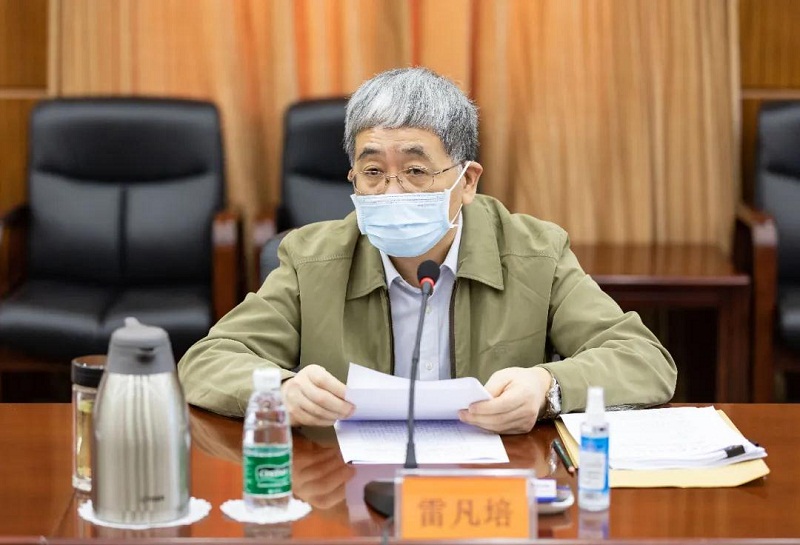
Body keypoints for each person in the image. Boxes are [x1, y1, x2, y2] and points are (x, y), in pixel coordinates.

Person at [178, 67, 677, 434]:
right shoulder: (311, 259)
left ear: (467, 181)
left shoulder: (535, 253)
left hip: (490, 492)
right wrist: (281, 390)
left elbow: (644, 359)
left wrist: (549, 387)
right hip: (346, 488)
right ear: (353, 178)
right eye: (373, 172)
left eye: (416, 171)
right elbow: (208, 360)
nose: (391, 191)